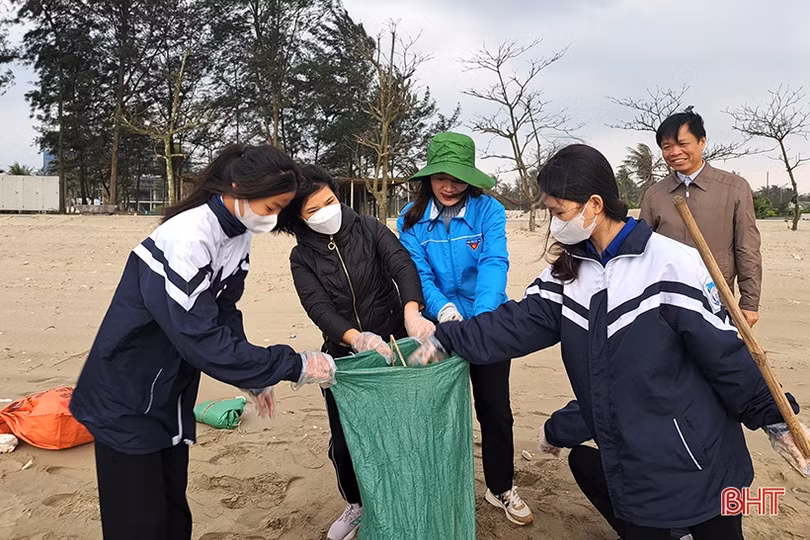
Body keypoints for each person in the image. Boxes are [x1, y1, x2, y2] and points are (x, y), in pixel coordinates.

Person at [409, 144, 808, 540]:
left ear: (594, 204)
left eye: (557, 211)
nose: (554, 224)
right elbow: (514, 323)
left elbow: (726, 357)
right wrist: (446, 339)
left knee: (717, 527)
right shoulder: (569, 272)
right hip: (631, 458)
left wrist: (775, 417)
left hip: (695, 454)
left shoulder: (670, 264)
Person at [70, 144, 338, 540]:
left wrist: (251, 377)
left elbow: (224, 311)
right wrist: (294, 364)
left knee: (172, 512)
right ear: (237, 188)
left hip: (168, 393)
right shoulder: (188, 237)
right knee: (138, 522)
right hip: (127, 394)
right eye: (270, 207)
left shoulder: (237, 234)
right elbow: (199, 337)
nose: (273, 217)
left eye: (281, 209)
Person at [276, 164, 435, 540]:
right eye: (312, 210)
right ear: (299, 218)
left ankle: (403, 495)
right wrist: (355, 338)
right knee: (347, 436)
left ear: (337, 194)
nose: (325, 212)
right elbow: (318, 308)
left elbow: (401, 263)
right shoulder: (302, 257)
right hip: (345, 357)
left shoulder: (368, 227)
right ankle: (357, 503)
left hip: (395, 341)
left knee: (401, 428)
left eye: (328, 201)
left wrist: (411, 311)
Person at [397, 132, 533, 526]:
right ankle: (435, 487)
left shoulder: (489, 210)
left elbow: (495, 261)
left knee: (495, 409)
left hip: (488, 322)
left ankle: (501, 486)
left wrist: (483, 316)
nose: (450, 185)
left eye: (458, 177)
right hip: (440, 325)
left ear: (471, 178)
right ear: (429, 177)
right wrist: (446, 311)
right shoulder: (410, 219)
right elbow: (418, 273)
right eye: (441, 176)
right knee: (433, 411)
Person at [640, 108, 762, 328]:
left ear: (702, 142)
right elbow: (643, 250)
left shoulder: (734, 188)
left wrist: (750, 302)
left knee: (717, 361)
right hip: (666, 300)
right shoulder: (655, 194)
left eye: (683, 144)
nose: (675, 152)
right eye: (667, 147)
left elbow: (747, 247)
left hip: (717, 301)